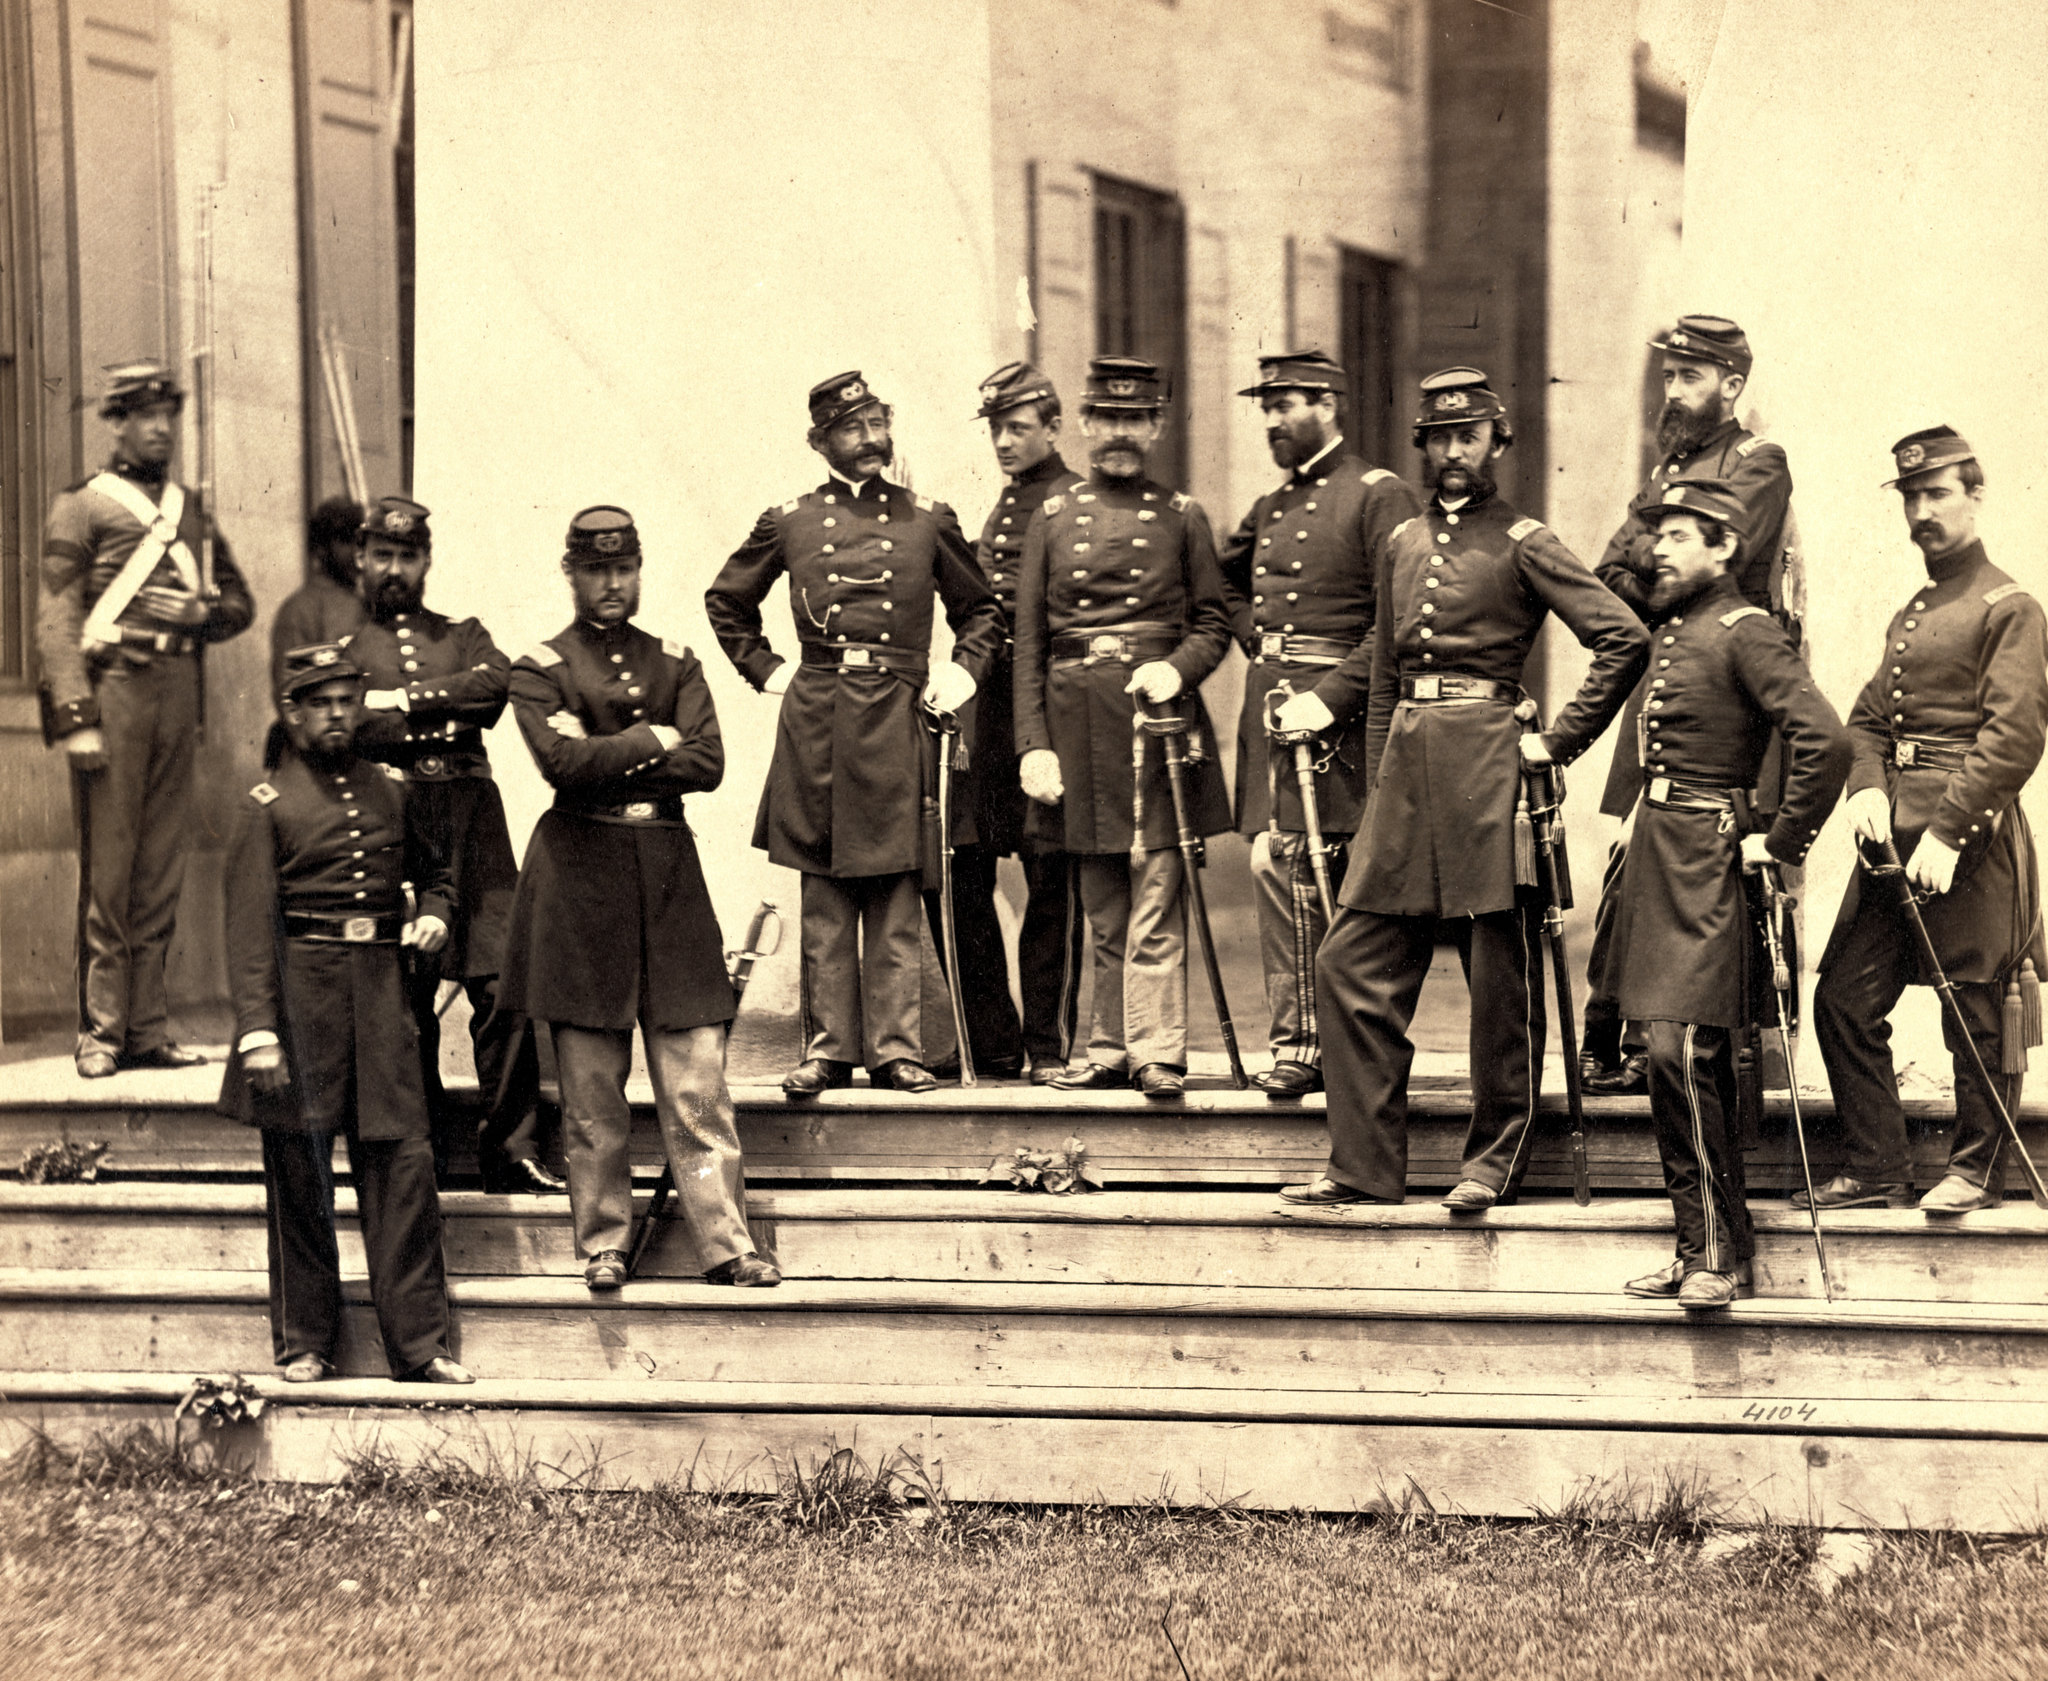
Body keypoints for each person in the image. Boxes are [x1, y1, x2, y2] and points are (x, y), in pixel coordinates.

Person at [1281, 367, 1647, 1209]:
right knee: (1348, 964)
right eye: (1440, 438)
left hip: (1490, 773)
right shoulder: (1400, 542)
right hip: (1406, 775)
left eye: (1469, 437)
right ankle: (1365, 1166)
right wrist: (1377, 790)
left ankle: (1492, 1162)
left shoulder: (1526, 539)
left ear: (1497, 442)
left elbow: (1622, 638)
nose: (1453, 453)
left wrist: (1555, 742)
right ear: (1423, 444)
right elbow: (1380, 677)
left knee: (1500, 982)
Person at [502, 506, 779, 1291]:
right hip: (579, 883)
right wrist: (654, 739)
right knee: (592, 1094)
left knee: (697, 1081)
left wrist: (610, 754)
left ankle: (728, 1242)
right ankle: (604, 1242)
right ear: (571, 573)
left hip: (665, 877)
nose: (611, 583)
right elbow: (560, 764)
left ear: (639, 570)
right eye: (595, 570)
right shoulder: (541, 665)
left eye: (624, 569)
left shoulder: (676, 659)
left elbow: (709, 761)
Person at [707, 373, 1005, 1097]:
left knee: (900, 890)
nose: (870, 439)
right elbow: (726, 599)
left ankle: (897, 1049)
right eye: (851, 429)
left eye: (877, 423)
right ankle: (829, 1048)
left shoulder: (929, 519)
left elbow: (983, 611)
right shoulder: (791, 520)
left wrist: (962, 673)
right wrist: (769, 670)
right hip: (820, 714)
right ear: (821, 442)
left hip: (901, 711)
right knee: (826, 892)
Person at [1603, 480, 1849, 1308]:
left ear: (1724, 548)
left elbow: (1826, 740)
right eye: (1657, 533)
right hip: (1656, 850)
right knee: (1663, 1057)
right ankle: (1707, 1248)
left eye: (1680, 535)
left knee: (1685, 1050)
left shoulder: (1748, 631)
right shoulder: (1670, 624)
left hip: (1709, 857)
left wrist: (1777, 843)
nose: (1659, 547)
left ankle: (1715, 1253)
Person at [1808, 428, 2048, 1216]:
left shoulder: (2007, 605)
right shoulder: (1913, 610)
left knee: (1976, 1008)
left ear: (1976, 496)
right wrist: (1866, 788)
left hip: (1969, 839)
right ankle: (1878, 1168)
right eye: (1911, 497)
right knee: (1843, 998)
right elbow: (1868, 719)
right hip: (1893, 834)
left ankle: (1978, 1169)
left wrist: (1948, 831)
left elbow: (2014, 734)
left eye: (1937, 493)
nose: (1922, 510)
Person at [218, 642, 471, 1384]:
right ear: (292, 713)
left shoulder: (392, 791)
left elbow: (439, 876)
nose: (337, 714)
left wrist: (434, 915)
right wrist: (258, 1032)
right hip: (301, 1007)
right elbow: (250, 932)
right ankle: (305, 1340)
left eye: (347, 700)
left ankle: (421, 1346)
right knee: (300, 1178)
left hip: (382, 1000)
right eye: (320, 702)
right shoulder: (268, 806)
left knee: (405, 1171)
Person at [1012, 355, 1235, 1100]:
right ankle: (1106, 1046)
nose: (1118, 434)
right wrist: (1032, 743)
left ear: (1158, 427)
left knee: (1156, 893)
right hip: (1076, 720)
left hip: (1156, 719)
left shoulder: (1182, 515)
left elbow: (1212, 619)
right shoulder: (1052, 518)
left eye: (1134, 420)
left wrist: (1177, 668)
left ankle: (1157, 1049)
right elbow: (1031, 643)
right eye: (1105, 419)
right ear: (1082, 424)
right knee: (1099, 899)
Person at [1582, 316, 1795, 1096]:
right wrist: (1652, 576)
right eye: (1670, 376)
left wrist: (1653, 568)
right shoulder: (1666, 465)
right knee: (1624, 866)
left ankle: (1695, 1049)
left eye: (1691, 377)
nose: (1674, 391)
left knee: (1717, 880)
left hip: (1725, 694)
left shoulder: (1758, 462)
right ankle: (1617, 1036)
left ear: (1732, 384)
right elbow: (1608, 571)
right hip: (1660, 687)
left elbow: (1711, 562)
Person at [36, 360, 255, 1078]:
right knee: (111, 870)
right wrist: (77, 719)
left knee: (160, 869)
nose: (161, 428)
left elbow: (238, 606)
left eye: (169, 414)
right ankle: (100, 1030)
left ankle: (148, 1026)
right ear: (118, 422)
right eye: (144, 415)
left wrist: (202, 612)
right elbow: (57, 619)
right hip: (116, 692)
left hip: (176, 694)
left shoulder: (193, 511)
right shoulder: (82, 506)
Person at [344, 496, 560, 1195]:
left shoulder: (464, 632)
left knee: (504, 987)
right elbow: (348, 723)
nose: (396, 568)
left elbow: (494, 687)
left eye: (408, 556)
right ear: (362, 559)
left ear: (427, 561)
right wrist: (436, 705)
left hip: (474, 820)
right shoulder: (344, 651)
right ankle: (423, 1152)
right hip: (394, 824)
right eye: (384, 555)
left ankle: (512, 1150)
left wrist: (400, 702)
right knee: (407, 999)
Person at [1219, 350, 1421, 1099]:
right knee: (1278, 862)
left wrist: (1330, 695)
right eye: (1266, 407)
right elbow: (1219, 585)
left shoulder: (1377, 494)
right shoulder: (1272, 506)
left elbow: (1395, 620)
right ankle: (1297, 1040)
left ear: (1329, 404)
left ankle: (1340, 1042)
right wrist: (1258, 641)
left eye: (1286, 404)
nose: (1272, 420)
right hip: (1274, 703)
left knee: (1324, 871)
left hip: (1340, 716)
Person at [934, 362, 1089, 1083]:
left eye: (1018, 428)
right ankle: (993, 1043)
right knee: (966, 867)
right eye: (996, 428)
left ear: (1054, 428)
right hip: (985, 710)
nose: (1003, 441)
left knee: (1049, 876)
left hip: (1045, 711)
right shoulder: (1006, 502)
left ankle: (1047, 1044)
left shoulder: (1071, 501)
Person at [269, 495, 367, 690]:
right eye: (346, 540)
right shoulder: (299, 610)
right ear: (321, 547)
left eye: (361, 542)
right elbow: (289, 691)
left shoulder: (368, 603)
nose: (357, 552)